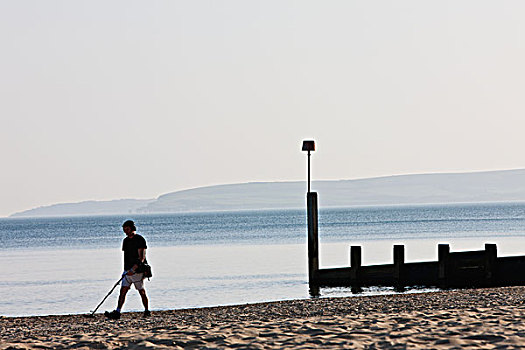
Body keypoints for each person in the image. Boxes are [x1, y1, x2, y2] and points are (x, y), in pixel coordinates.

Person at [105, 220, 150, 319]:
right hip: (126, 271)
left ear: (132, 228)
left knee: (141, 291)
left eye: (127, 229)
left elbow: (141, 257)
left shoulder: (140, 239)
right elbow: (126, 256)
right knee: (123, 291)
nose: (125, 231)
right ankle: (117, 312)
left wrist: (133, 269)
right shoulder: (125, 241)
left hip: (137, 271)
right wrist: (126, 270)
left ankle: (147, 311)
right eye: (124, 229)